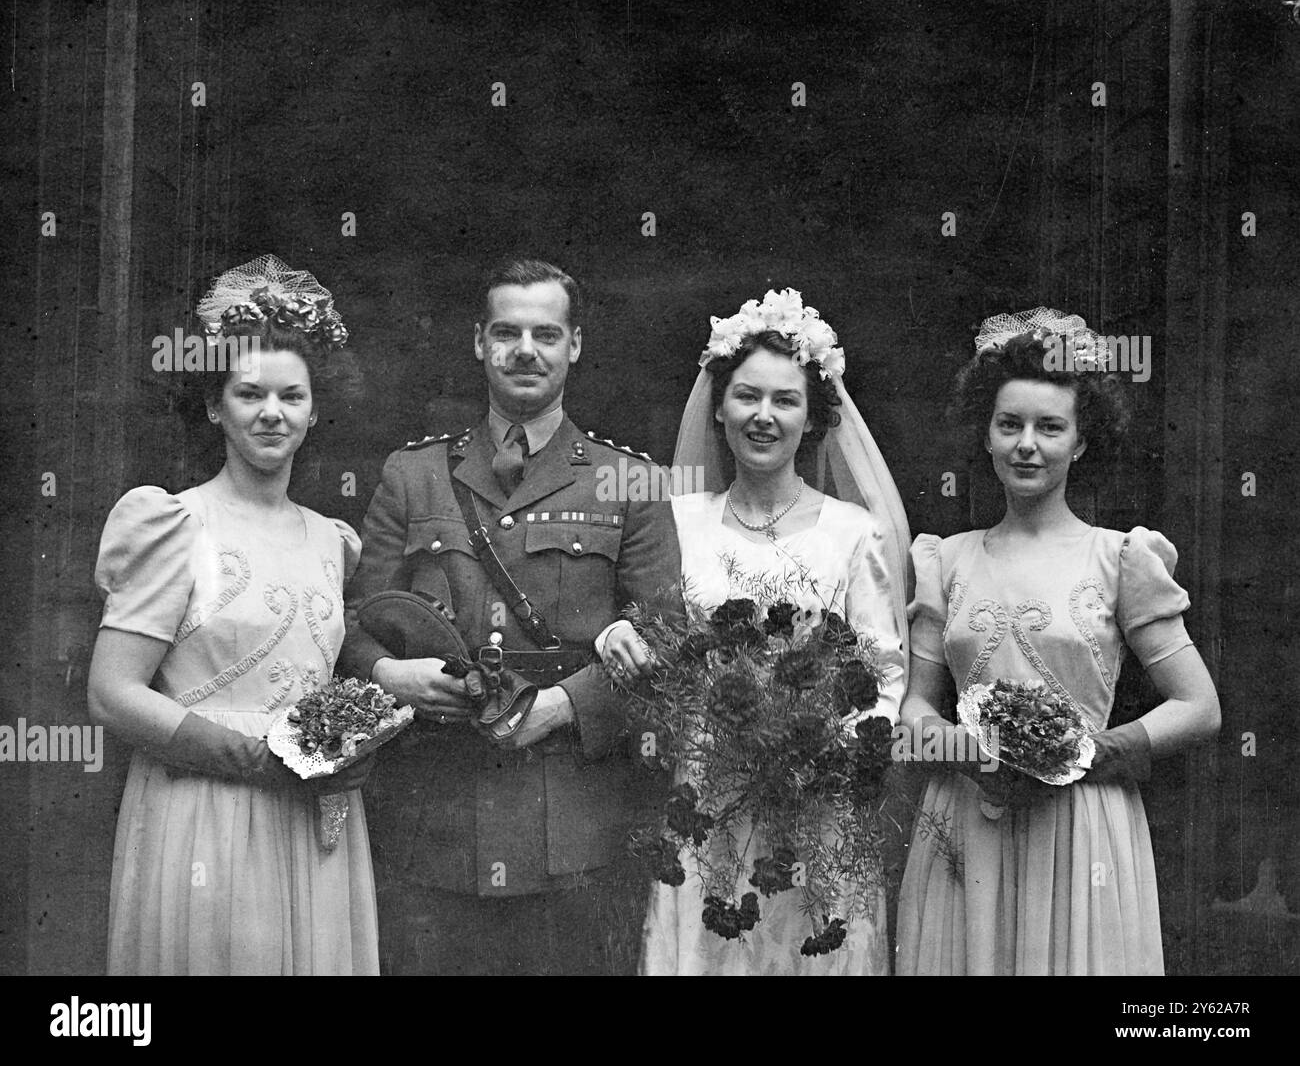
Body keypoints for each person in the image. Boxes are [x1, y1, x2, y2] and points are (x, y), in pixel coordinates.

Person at [339, 257, 681, 975]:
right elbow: (352, 619)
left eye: (546, 334)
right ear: (478, 342)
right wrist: (388, 674)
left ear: (575, 346)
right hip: (436, 811)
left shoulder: (630, 481)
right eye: (506, 332)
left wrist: (567, 703)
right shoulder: (414, 474)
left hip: (571, 823)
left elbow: (668, 643)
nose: (526, 349)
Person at [895, 308, 1221, 975]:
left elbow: (1199, 706)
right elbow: (912, 715)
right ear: (986, 434)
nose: (1026, 445)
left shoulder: (1122, 558)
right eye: (1009, 424)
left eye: (1050, 428)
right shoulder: (944, 560)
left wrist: (1091, 752)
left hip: (1082, 826)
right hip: (968, 819)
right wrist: (977, 754)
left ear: (1080, 442)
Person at [87, 254, 378, 974]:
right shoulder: (171, 524)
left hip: (315, 821)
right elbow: (112, 693)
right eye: (249, 394)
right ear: (215, 405)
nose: (271, 413)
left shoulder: (332, 541)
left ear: (315, 410)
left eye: (291, 396)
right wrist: (256, 760)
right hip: (204, 812)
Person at [615, 288, 910, 975]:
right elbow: (651, 637)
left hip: (816, 807)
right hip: (706, 796)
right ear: (718, 407)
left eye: (786, 401)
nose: (764, 417)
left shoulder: (851, 532)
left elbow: (886, 673)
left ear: (813, 419)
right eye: (747, 397)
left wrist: (824, 751)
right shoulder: (679, 519)